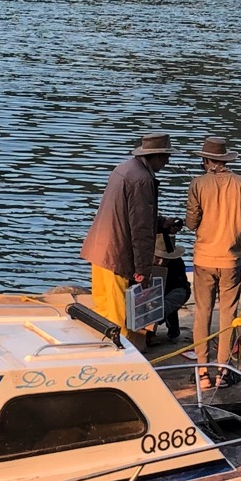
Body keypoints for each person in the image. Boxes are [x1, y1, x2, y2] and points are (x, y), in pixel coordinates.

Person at [180, 136, 241, 384]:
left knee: (202, 313)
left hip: (204, 258)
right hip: (231, 259)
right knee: (228, 314)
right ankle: (223, 371)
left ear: (205, 160)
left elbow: (191, 223)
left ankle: (202, 372)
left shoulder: (197, 184)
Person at [80, 134, 168, 341]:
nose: (167, 162)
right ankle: (122, 361)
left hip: (100, 249)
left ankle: (102, 354)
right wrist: (143, 271)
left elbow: (125, 214)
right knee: (117, 317)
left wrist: (161, 223)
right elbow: (140, 229)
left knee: (102, 309)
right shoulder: (143, 180)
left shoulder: (124, 168)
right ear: (154, 156)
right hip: (115, 255)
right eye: (165, 157)